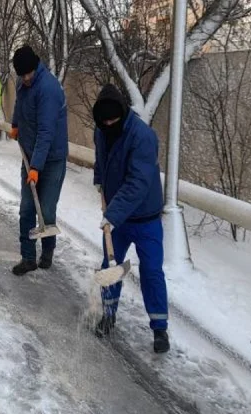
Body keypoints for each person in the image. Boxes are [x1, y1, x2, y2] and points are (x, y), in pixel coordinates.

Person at [92, 83, 169, 354]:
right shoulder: (101, 130)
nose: (109, 124)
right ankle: (108, 315)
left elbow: (138, 182)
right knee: (110, 265)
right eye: (105, 121)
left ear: (123, 114)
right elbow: (101, 160)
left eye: (114, 120)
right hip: (118, 217)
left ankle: (160, 328)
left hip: (145, 217)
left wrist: (111, 214)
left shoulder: (142, 137)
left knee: (151, 270)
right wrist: (99, 181)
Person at [8, 45, 68, 276]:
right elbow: (19, 104)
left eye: (28, 74)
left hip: (51, 159)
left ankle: (48, 250)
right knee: (26, 208)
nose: (25, 78)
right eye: (22, 75)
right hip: (30, 155)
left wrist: (36, 168)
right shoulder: (25, 82)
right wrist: (15, 123)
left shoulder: (48, 89)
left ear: (35, 67)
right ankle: (28, 257)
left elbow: (46, 132)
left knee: (47, 210)